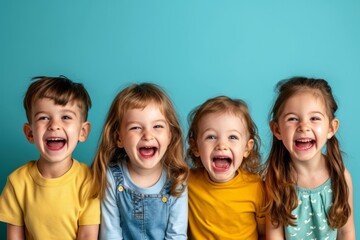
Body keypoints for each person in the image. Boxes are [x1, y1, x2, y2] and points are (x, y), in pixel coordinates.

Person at [0, 76, 100, 239]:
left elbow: (88, 236)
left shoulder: (89, 181)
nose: (54, 125)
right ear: (30, 133)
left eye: (66, 117)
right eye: (43, 117)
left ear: (83, 132)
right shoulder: (17, 182)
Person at [91, 83, 189, 239]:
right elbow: (111, 234)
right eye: (136, 127)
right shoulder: (111, 177)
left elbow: (176, 235)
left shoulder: (177, 180)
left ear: (170, 136)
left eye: (157, 126)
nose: (148, 135)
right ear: (119, 138)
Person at [264, 77, 356, 239]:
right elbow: (274, 233)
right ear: (277, 129)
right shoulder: (276, 178)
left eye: (314, 118)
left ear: (331, 128)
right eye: (292, 119)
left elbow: (346, 231)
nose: (304, 127)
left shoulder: (340, 176)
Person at [186, 96, 266, 240]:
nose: (221, 145)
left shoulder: (257, 187)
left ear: (247, 148)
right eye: (211, 137)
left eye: (232, 137)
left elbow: (263, 233)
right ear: (195, 147)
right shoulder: (187, 182)